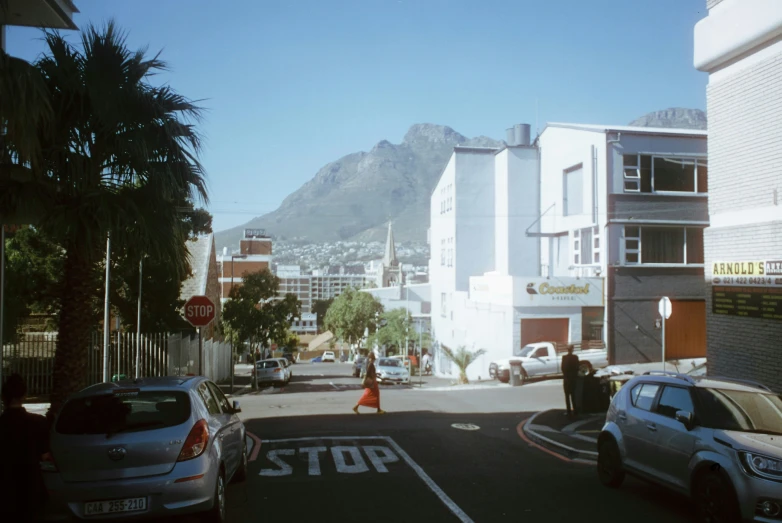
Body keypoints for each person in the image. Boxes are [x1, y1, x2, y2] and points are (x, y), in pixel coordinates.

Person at [0, 373, 51, 522]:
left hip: (5, 489)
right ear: (24, 395)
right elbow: (44, 455)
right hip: (31, 486)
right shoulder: (38, 423)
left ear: (4, 397)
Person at [561, 345, 580, 417]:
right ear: (572, 350)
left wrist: (566, 375)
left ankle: (568, 411)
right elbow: (577, 367)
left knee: (567, 396)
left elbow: (562, 368)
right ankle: (575, 410)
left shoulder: (564, 358)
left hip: (566, 378)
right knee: (573, 395)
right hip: (573, 378)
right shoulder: (575, 357)